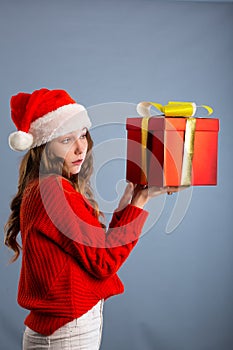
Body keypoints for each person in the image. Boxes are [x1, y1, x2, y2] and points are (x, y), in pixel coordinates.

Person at [4, 88, 171, 350]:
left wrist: (128, 200)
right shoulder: (54, 192)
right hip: (66, 331)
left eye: (83, 135)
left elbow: (93, 249)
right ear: (44, 147)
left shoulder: (44, 188)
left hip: (61, 328)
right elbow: (103, 262)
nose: (81, 147)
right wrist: (140, 203)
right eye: (66, 140)